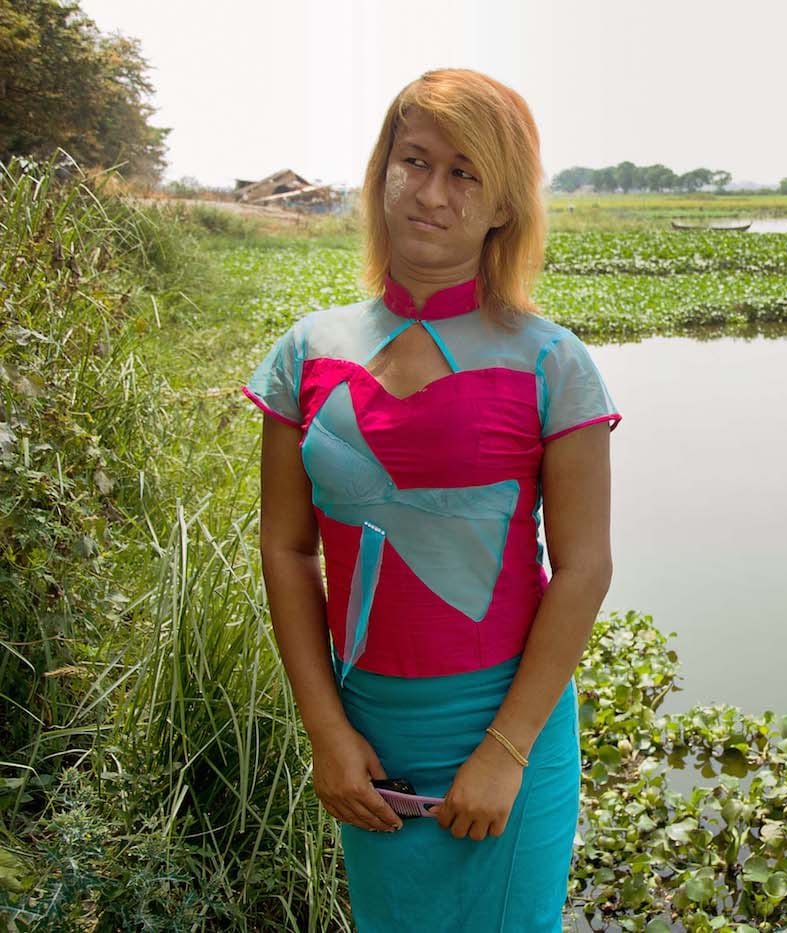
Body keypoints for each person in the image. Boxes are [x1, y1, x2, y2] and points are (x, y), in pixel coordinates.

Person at [243, 68, 620, 931]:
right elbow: (287, 550)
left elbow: (586, 566)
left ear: (503, 206)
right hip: (367, 731)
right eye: (413, 160)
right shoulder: (308, 350)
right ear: (381, 173)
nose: (431, 192)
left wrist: (507, 747)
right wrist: (327, 734)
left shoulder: (552, 362)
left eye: (465, 172)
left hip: (505, 726)